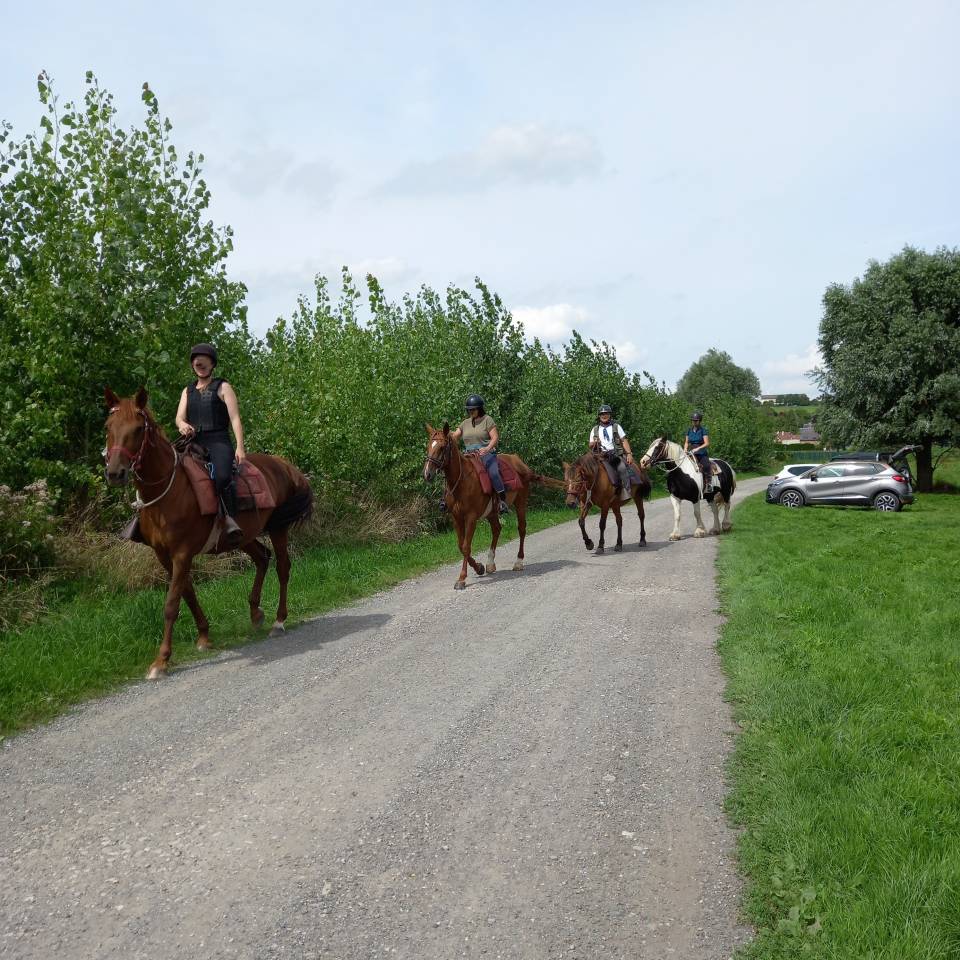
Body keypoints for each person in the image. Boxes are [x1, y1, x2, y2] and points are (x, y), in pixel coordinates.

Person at [175, 343, 247, 546]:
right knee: (167, 468)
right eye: (196, 361)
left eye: (204, 360)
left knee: (223, 475)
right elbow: (179, 418)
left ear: (212, 364)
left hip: (218, 441)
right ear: (193, 365)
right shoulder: (187, 391)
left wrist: (240, 447)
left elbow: (235, 419)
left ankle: (229, 520)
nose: (199, 363)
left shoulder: (223, 387)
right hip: (194, 442)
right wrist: (182, 425)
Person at [451, 394, 510, 514]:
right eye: (469, 409)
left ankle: (502, 501)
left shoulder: (487, 420)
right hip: (469, 455)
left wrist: (487, 448)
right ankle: (447, 500)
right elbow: (454, 436)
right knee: (454, 472)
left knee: (493, 473)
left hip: (486, 454)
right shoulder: (465, 423)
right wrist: (442, 435)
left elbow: (495, 437)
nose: (471, 411)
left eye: (473, 409)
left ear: (480, 409)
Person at [589, 403, 636, 494]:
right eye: (602, 414)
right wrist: (595, 443)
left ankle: (627, 491)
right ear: (599, 416)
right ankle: (588, 495)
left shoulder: (616, 426)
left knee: (622, 468)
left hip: (615, 454)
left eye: (606, 413)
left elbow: (624, 441)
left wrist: (629, 454)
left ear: (610, 415)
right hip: (600, 456)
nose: (604, 416)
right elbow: (590, 445)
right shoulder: (595, 429)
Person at [683, 411, 713, 493]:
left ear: (700, 421)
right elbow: (686, 442)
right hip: (691, 452)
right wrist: (685, 448)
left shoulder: (703, 430)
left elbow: (707, 443)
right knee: (680, 464)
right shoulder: (689, 430)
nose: (694, 422)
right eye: (693, 420)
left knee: (706, 465)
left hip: (701, 452)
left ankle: (709, 484)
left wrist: (698, 448)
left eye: (696, 420)